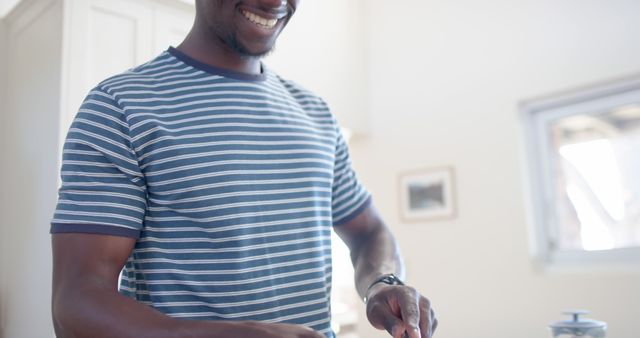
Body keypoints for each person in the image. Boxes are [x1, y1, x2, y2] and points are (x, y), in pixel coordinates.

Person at [50, 1, 437, 337]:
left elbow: (369, 231)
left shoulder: (315, 113)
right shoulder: (120, 107)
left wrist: (382, 283)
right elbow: (77, 303)